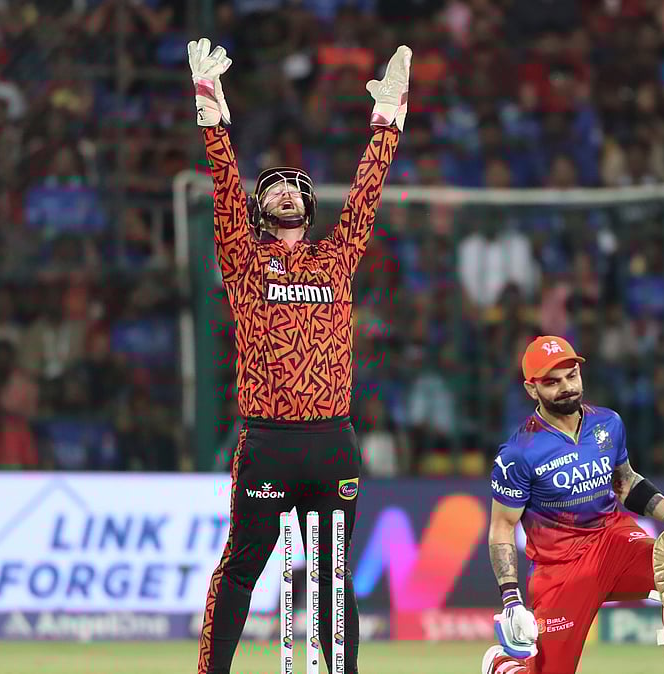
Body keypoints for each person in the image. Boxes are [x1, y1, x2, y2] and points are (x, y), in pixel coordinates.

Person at [187, 38, 412, 674]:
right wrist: (212, 113)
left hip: (331, 442)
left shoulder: (335, 258)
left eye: (295, 187)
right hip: (268, 442)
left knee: (332, 579)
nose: (285, 192)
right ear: (260, 208)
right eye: (274, 188)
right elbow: (223, 187)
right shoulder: (243, 258)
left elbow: (367, 195)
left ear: (310, 207)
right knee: (242, 569)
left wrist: (387, 121)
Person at [482, 336, 664, 674]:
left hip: (614, 542)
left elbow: (624, 482)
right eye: (552, 382)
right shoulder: (519, 453)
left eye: (571, 376)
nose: (567, 387)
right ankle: (504, 666)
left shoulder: (608, 423)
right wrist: (511, 600)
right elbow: (502, 526)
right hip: (561, 568)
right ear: (532, 389)